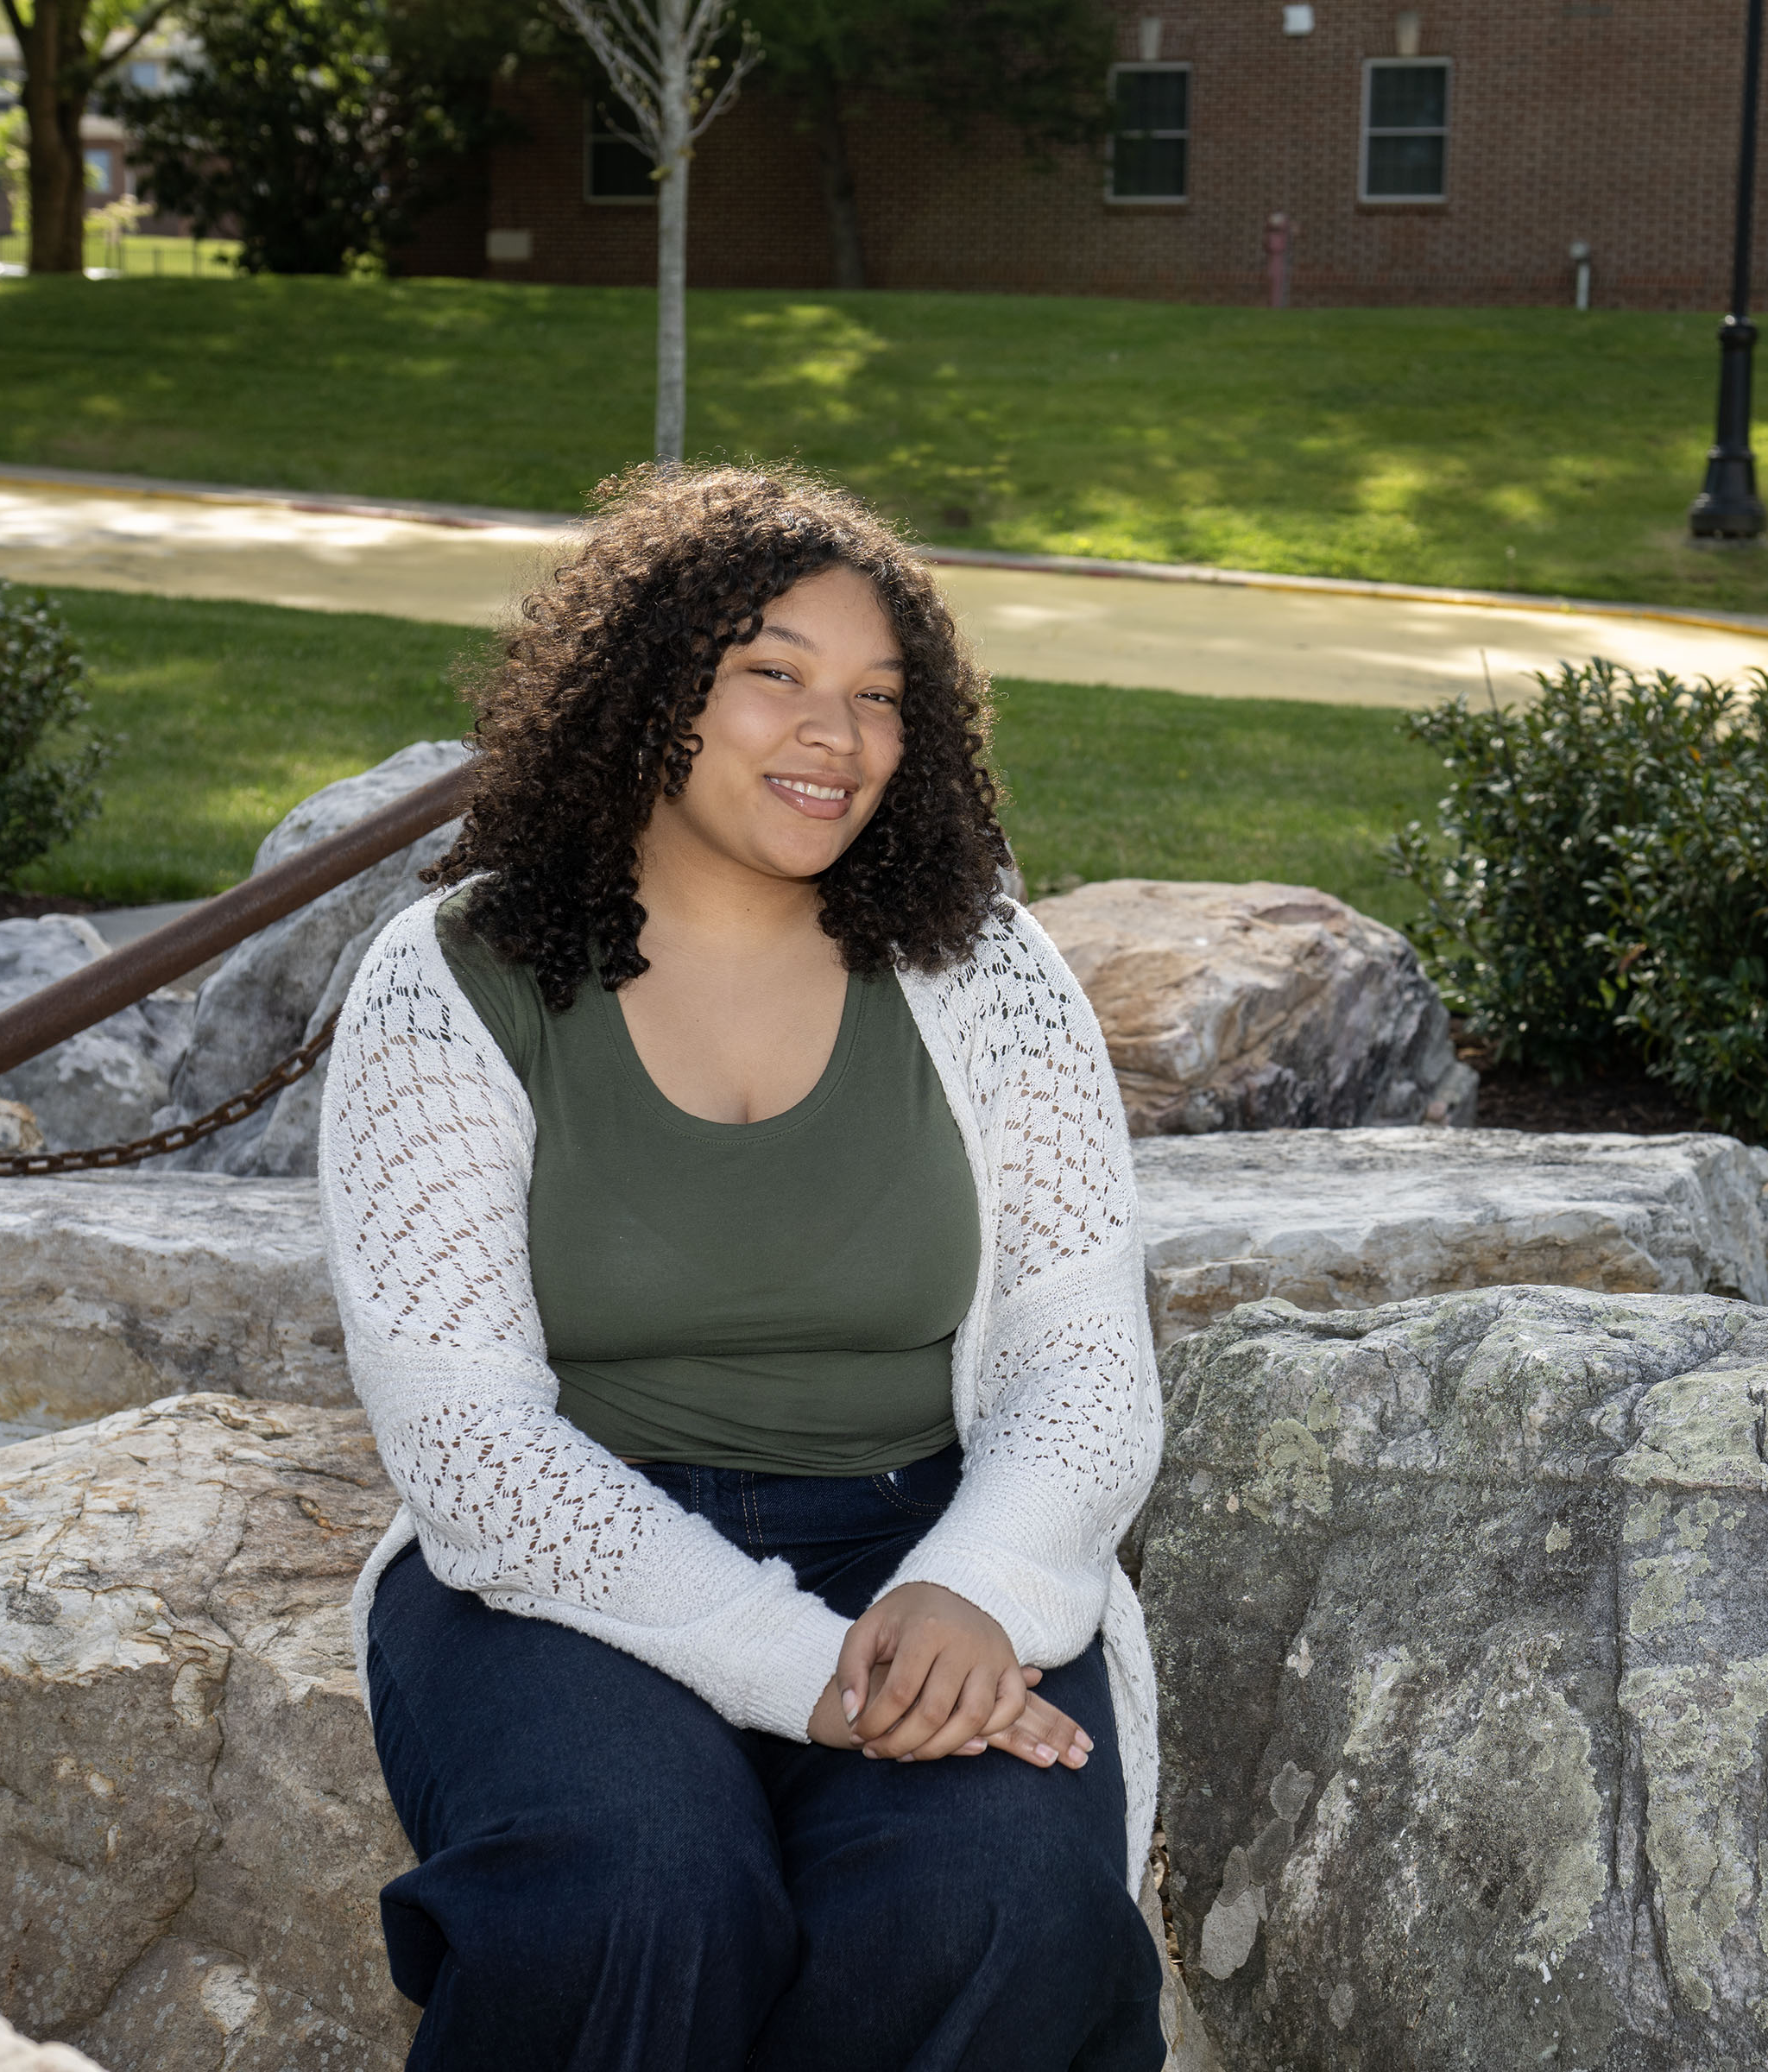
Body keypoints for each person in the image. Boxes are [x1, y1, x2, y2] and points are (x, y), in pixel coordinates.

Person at [316, 464, 1168, 2072]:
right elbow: (470, 1448)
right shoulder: (451, 980)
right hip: (557, 1573)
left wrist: (974, 1590)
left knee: (996, 1899)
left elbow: (1085, 1365)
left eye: (878, 697)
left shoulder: (981, 967)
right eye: (774, 674)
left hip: (923, 1541)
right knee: (632, 1895)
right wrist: (803, 1672)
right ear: (654, 695)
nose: (832, 739)